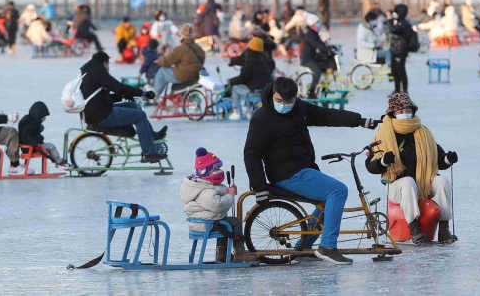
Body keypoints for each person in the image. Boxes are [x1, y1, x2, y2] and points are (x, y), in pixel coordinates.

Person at [243, 77, 379, 265]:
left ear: (295, 97)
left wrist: (359, 120)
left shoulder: (299, 108)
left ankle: (304, 247)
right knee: (337, 190)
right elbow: (251, 153)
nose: (283, 105)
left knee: (328, 199)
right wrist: (259, 187)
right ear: (273, 95)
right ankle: (328, 247)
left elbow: (326, 115)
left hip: (303, 169)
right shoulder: (262, 118)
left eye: (288, 102)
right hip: (287, 175)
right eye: (279, 101)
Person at [366, 92, 458, 245]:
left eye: (408, 111)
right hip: (396, 185)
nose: (405, 114)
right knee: (408, 182)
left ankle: (443, 228)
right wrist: (383, 161)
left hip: (423, 182)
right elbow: (370, 165)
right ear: (393, 113)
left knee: (441, 181)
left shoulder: (423, 132)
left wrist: (448, 159)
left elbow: (440, 160)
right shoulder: (384, 134)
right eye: (401, 112)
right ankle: (414, 228)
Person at [67, 51, 166, 162]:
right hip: (101, 115)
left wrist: (120, 96)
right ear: (105, 62)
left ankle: (151, 136)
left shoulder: (87, 71)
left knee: (133, 106)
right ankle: (149, 153)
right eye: (108, 65)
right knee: (140, 116)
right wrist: (142, 93)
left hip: (94, 111)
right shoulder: (99, 71)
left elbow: (98, 94)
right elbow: (118, 87)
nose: (108, 68)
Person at [180, 147, 242, 263]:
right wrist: (231, 195)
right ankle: (239, 253)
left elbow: (217, 191)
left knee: (224, 222)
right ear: (205, 171)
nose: (219, 171)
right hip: (205, 224)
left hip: (204, 221)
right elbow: (217, 205)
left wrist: (228, 191)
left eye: (219, 168)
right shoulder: (204, 191)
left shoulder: (202, 185)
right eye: (216, 169)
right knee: (234, 222)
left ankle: (222, 254)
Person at [225, 36, 274, 120]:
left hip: (255, 90)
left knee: (235, 88)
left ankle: (236, 111)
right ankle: (247, 109)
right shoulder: (265, 59)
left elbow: (243, 78)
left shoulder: (250, 61)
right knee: (242, 86)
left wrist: (230, 81)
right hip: (266, 88)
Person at [155, 24, 205, 97]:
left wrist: (159, 61)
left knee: (162, 71)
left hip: (183, 76)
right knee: (175, 70)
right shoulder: (199, 48)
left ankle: (154, 95)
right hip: (196, 75)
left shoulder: (180, 49)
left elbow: (167, 62)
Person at [17, 101, 65, 168]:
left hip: (26, 147)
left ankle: (57, 161)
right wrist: (39, 140)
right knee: (51, 146)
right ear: (39, 115)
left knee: (48, 146)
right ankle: (59, 162)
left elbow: (29, 135)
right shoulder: (32, 124)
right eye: (43, 117)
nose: (44, 118)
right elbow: (31, 137)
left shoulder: (28, 120)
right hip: (32, 147)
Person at [298, 13, 335, 96]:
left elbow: (321, 43)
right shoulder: (309, 34)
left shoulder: (314, 33)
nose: (318, 24)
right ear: (311, 24)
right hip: (307, 60)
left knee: (327, 67)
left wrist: (329, 48)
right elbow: (316, 44)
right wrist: (325, 49)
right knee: (317, 72)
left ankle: (324, 89)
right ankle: (311, 91)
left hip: (314, 57)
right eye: (316, 23)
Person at [387, 4, 416, 94]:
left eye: (396, 12)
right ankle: (397, 90)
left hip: (401, 51)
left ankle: (404, 91)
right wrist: (392, 19)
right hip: (396, 50)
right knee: (395, 71)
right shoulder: (400, 21)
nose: (394, 14)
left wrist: (389, 20)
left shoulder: (404, 23)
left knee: (401, 71)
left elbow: (393, 29)